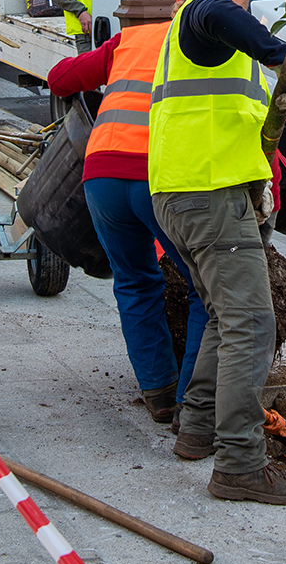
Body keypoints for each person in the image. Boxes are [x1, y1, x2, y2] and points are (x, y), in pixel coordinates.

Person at [148, 0, 286, 506]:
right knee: (250, 323)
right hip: (205, 194)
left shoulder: (187, 23)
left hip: (190, 192)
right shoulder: (207, 10)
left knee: (224, 316)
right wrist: (283, 58)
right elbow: (221, 10)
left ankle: (196, 429)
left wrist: (255, 182)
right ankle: (240, 464)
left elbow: (226, 117)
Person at [47, 21, 208, 424]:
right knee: (207, 287)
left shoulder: (132, 38)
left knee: (135, 281)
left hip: (101, 174)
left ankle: (159, 393)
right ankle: (194, 404)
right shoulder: (211, 37)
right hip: (158, 175)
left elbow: (59, 79)